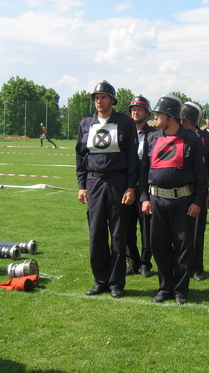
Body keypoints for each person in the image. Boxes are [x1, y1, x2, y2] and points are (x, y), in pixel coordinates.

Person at [139, 94, 207, 305]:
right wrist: (144, 198)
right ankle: (165, 287)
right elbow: (143, 172)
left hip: (183, 202)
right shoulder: (152, 138)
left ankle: (180, 290)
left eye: (159, 114)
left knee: (183, 246)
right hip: (156, 201)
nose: (155, 118)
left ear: (170, 117)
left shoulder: (191, 139)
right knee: (158, 245)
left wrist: (197, 201)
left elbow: (201, 174)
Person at [76, 80, 139, 298]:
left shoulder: (125, 123)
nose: (99, 101)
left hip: (118, 183)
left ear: (112, 100)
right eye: (96, 98)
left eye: (103, 97)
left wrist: (131, 187)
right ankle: (100, 280)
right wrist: (81, 186)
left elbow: (133, 158)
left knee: (119, 234)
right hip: (94, 183)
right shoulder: (86, 124)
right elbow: (80, 156)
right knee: (96, 234)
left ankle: (116, 283)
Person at [180, 101, 209, 281]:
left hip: (200, 190)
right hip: (181, 190)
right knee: (180, 231)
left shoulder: (206, 138)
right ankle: (181, 266)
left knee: (197, 231)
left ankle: (196, 268)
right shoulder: (177, 136)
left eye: (183, 119)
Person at [125, 95, 156, 278]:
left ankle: (145, 263)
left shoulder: (153, 135)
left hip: (145, 187)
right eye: (133, 109)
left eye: (139, 109)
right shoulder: (125, 132)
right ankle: (132, 261)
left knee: (147, 228)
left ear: (146, 113)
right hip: (127, 187)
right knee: (127, 227)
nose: (135, 112)